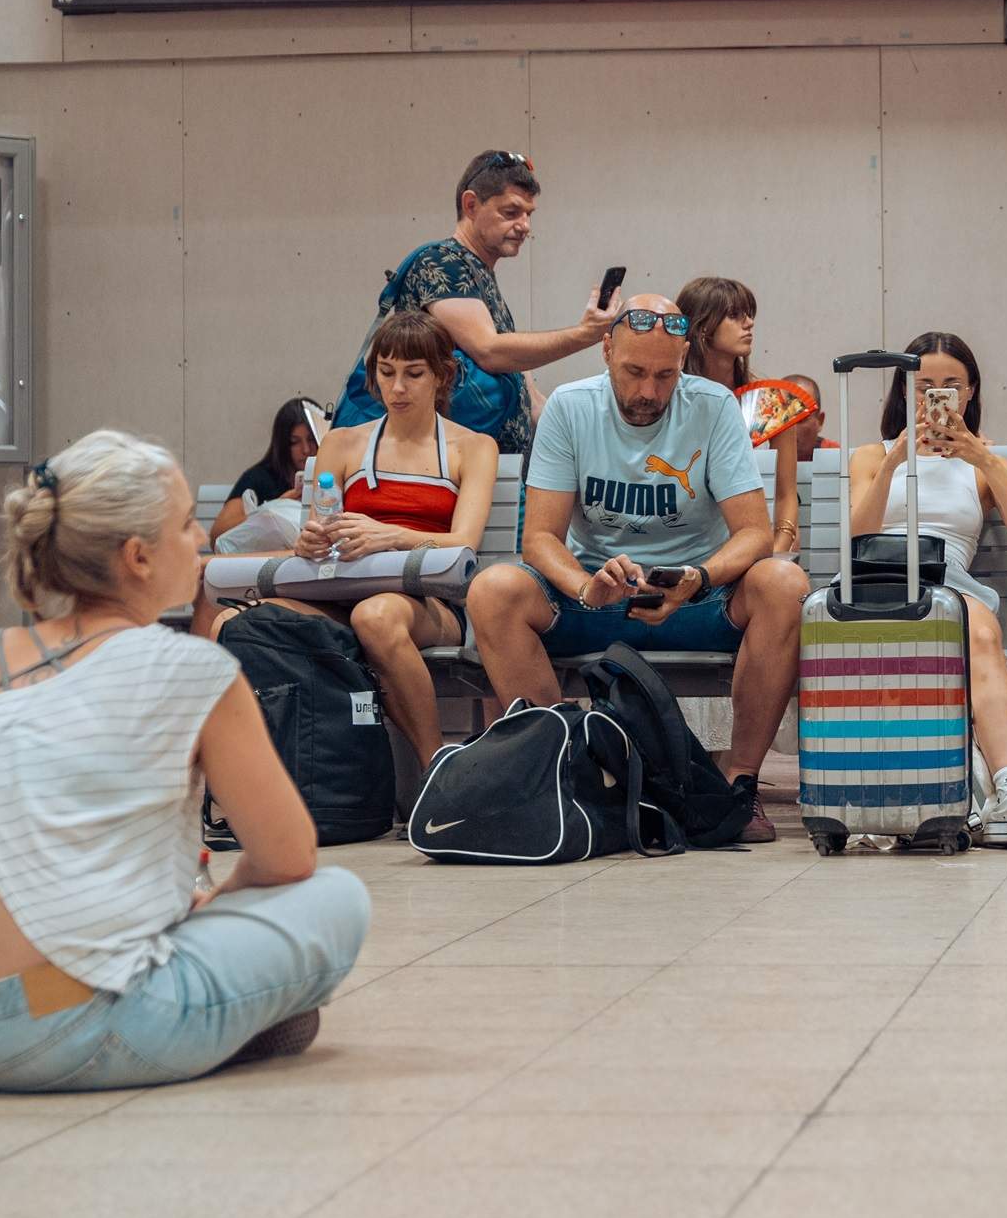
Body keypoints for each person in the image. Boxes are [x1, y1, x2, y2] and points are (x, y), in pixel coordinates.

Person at [0, 430, 369, 1093]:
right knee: (337, 899)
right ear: (137, 556)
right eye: (185, 524)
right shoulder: (192, 667)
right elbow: (287, 858)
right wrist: (200, 908)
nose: (199, 540)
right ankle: (215, 1025)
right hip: (55, 1028)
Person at [460, 296, 811, 840]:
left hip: (694, 598)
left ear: (684, 359)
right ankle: (571, 778)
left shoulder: (713, 405)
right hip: (596, 594)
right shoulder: (571, 408)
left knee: (784, 583)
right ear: (606, 350)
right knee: (493, 590)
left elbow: (754, 534)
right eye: (634, 372)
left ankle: (738, 786)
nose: (649, 392)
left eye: (666, 375)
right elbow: (539, 539)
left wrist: (698, 578)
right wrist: (583, 585)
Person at [846, 333, 1007, 848]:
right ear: (904, 392)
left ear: (969, 394)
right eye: (923, 386)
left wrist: (987, 461)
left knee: (980, 631)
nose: (935, 396)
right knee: (959, 623)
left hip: (947, 579)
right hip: (878, 578)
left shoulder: (984, 463)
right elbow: (858, 534)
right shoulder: (870, 455)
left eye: (950, 385)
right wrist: (896, 462)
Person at [272, 313, 495, 762]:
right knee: (237, 621)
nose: (397, 389)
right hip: (343, 590)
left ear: (441, 376)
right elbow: (320, 531)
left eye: (413, 374)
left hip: (430, 599)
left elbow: (463, 543)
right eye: (386, 373)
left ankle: (435, 765)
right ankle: (301, 774)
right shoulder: (343, 443)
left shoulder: (472, 447)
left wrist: (389, 536)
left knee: (375, 618)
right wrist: (309, 542)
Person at [333, 148, 617, 457]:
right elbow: (489, 350)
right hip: (439, 473)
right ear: (471, 205)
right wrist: (585, 334)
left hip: (483, 470)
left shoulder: (477, 276)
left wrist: (586, 444)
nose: (525, 226)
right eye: (511, 212)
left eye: (528, 214)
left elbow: (529, 395)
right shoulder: (441, 262)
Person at [677, 276, 816, 560]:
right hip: (685, 548)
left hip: (757, 551)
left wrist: (777, 546)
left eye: (749, 314)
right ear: (703, 327)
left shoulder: (773, 402)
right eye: (734, 315)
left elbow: (787, 495)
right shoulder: (671, 399)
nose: (749, 322)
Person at [208, 397, 320, 543]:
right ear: (282, 445)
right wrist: (275, 507)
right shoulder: (260, 477)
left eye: (312, 440)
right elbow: (218, 533)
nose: (306, 449)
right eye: (295, 442)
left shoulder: (336, 473)